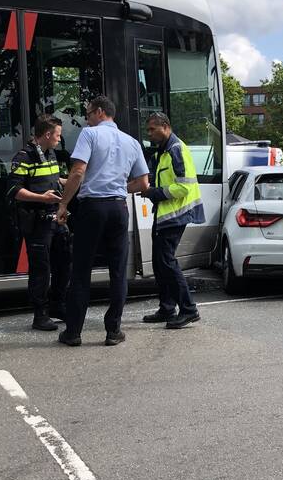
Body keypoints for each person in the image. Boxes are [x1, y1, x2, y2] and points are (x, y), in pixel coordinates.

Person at [56, 95, 150, 347]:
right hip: (118, 209)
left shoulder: (90, 134)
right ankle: (113, 331)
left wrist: (63, 203)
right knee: (118, 271)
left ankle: (73, 332)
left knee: (81, 270)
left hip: (92, 208)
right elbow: (143, 183)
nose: (86, 118)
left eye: (87, 113)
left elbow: (77, 171)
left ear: (99, 112)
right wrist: (118, 186)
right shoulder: (131, 142)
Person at [140, 112, 205, 329]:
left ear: (165, 127)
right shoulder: (164, 150)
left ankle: (189, 310)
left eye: (152, 129)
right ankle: (167, 308)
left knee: (166, 262)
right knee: (160, 263)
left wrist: (155, 193)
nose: (149, 134)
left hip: (175, 215)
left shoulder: (176, 149)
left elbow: (184, 187)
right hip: (167, 214)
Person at [7, 115, 71, 331]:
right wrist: (43, 198)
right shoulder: (23, 157)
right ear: (47, 135)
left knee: (64, 264)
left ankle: (57, 305)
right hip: (37, 223)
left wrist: (72, 180)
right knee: (41, 270)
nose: (59, 140)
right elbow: (14, 191)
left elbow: (54, 179)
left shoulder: (50, 153)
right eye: (58, 135)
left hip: (57, 219)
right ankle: (40, 315)